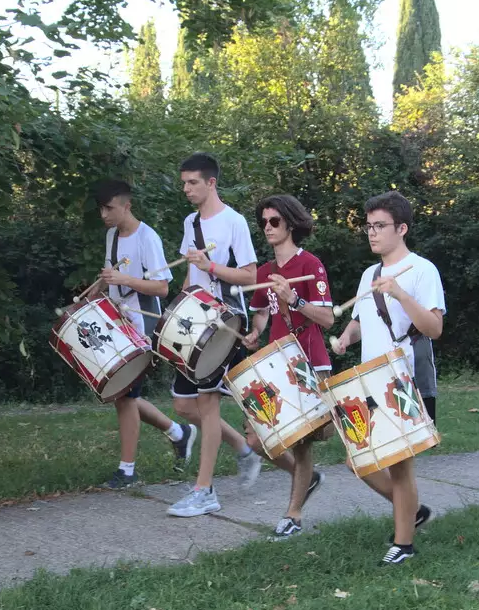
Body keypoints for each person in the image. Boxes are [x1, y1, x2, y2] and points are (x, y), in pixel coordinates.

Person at [331, 190, 445, 566]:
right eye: (368, 226)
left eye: (380, 226)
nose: (372, 233)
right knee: (357, 460)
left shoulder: (421, 270)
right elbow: (366, 319)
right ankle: (410, 512)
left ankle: (404, 544)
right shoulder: (370, 274)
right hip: (370, 379)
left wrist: (398, 293)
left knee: (399, 463)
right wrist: (348, 336)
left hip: (404, 377)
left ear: (402, 228)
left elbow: (433, 327)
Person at [166, 153, 264, 517]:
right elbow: (192, 277)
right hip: (194, 321)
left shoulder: (233, 222)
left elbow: (252, 275)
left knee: (207, 405)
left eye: (192, 182)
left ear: (211, 183)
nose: (186, 189)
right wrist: (177, 308)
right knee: (182, 405)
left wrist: (213, 267)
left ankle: (204, 491)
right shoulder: (190, 222)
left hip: (222, 324)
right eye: (184, 183)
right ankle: (243, 449)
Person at [240, 194, 335, 539]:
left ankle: (292, 515)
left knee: (301, 442)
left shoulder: (310, 264)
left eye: (274, 221)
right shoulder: (265, 272)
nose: (267, 227)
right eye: (263, 221)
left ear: (291, 224)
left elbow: (326, 318)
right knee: (254, 439)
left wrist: (294, 299)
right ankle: (305, 479)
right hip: (273, 364)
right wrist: (254, 333)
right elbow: (261, 312)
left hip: (307, 361)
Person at [91, 179, 194, 488]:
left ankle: (127, 470)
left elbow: (162, 287)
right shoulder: (111, 236)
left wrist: (125, 278)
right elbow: (110, 277)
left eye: (109, 208)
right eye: (101, 209)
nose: (104, 215)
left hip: (143, 324)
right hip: (117, 322)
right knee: (123, 394)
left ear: (127, 205)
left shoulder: (147, 238)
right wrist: (93, 293)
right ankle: (180, 433)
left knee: (124, 395)